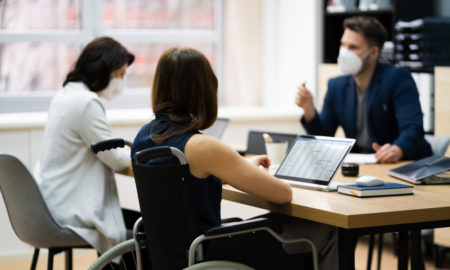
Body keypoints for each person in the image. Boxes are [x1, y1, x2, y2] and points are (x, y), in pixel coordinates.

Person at [131, 47, 338, 269]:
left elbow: (183, 186)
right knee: (328, 228)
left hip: (177, 256)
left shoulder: (143, 138)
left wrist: (241, 167)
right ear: (205, 90)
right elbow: (283, 194)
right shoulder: (202, 146)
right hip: (211, 255)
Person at [34, 37, 140, 268]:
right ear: (103, 71)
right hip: (71, 211)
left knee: (137, 222)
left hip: (53, 204)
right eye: (120, 74)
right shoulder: (86, 103)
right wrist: (146, 151)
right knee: (146, 228)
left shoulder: (65, 96)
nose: (122, 81)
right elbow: (115, 158)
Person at [295, 16, 432, 163]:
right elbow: (323, 138)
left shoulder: (397, 78)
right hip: (362, 166)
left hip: (403, 165)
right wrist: (309, 110)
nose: (344, 52)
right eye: (343, 45)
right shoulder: (336, 86)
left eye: (353, 47)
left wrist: (397, 150)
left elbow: (413, 128)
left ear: (373, 53)